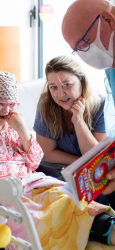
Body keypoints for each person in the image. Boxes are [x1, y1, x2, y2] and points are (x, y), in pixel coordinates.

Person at [0, 67, 115, 249]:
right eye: (0, 104)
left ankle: (108, 229)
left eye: (12, 104)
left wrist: (22, 130)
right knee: (37, 217)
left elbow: (35, 161)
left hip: (33, 181)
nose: (7, 110)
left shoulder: (13, 122)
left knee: (71, 198)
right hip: (4, 190)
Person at [61, 0, 115, 195]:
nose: (84, 56)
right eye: (77, 50)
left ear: (108, 20)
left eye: (84, 44)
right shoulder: (112, 71)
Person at [33, 55, 107, 166]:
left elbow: (98, 159)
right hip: (60, 171)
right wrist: (80, 164)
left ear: (82, 82)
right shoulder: (45, 103)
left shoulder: (101, 105)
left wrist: (78, 122)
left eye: (67, 85)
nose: (60, 94)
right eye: (53, 87)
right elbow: (46, 153)